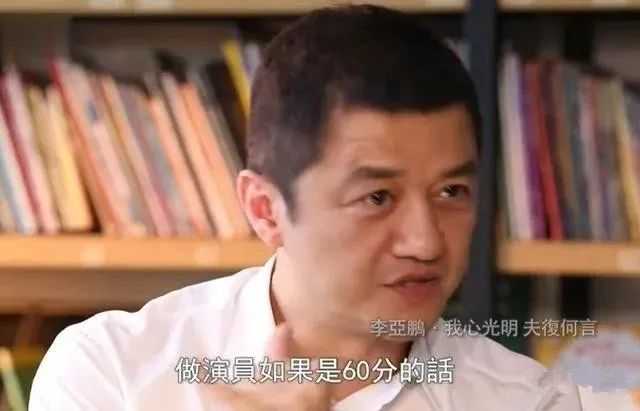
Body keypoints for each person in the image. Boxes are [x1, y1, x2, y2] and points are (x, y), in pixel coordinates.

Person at [29, 5, 622, 411]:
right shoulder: (114, 374)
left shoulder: (528, 401)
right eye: (377, 198)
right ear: (265, 210)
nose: (425, 242)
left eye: (451, 193)